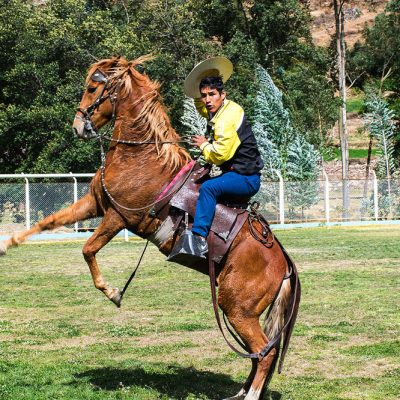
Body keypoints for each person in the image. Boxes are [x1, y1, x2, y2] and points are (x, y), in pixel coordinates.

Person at [169, 57, 264, 261]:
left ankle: (199, 240)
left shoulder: (227, 117)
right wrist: (196, 91)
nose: (207, 100)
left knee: (209, 188)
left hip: (246, 178)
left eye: (212, 95)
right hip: (236, 173)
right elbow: (204, 109)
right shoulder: (220, 108)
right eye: (203, 95)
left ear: (223, 94)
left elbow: (221, 155)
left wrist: (203, 144)